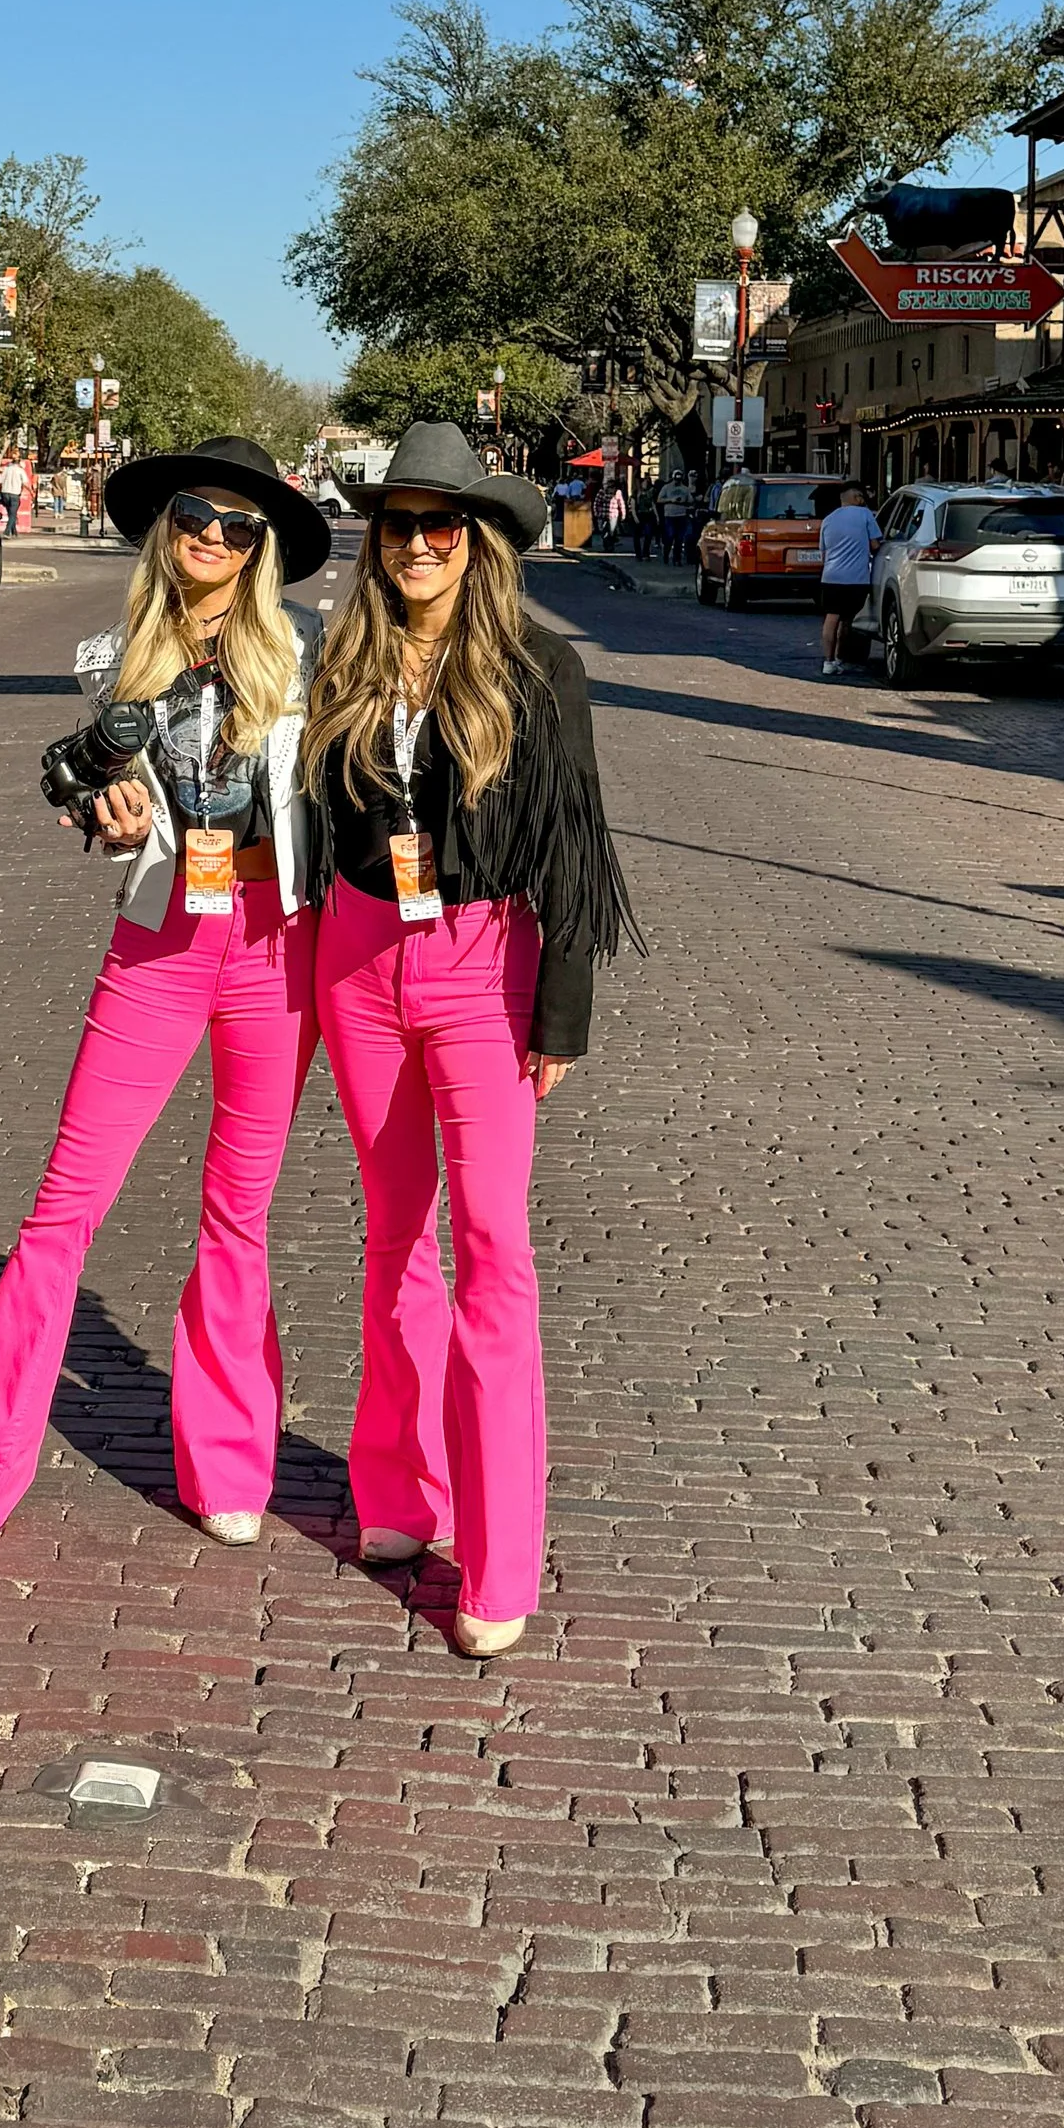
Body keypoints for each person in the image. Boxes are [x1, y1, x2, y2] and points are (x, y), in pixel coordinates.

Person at [0, 436, 332, 1551]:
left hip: (278, 946)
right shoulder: (112, 658)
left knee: (237, 1216)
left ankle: (226, 1464)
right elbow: (85, 782)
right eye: (195, 517)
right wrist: (93, 807)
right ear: (166, 529)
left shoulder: (310, 654)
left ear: (262, 548)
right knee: (63, 1208)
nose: (213, 536)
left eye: (238, 525)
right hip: (159, 942)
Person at [301, 421, 639, 1661]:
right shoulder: (344, 653)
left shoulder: (539, 670)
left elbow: (573, 853)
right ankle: (398, 1497)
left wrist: (561, 1014)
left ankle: (498, 1556)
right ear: (376, 539)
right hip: (357, 954)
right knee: (393, 1237)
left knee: (490, 1248)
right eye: (399, 524)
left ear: (481, 540)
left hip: (481, 967)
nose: (420, 545)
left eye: (444, 525)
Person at [816, 477, 881, 674]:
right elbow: (875, 545)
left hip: (831, 577)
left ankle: (827, 662)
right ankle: (839, 658)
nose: (863, 499)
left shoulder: (828, 519)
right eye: (861, 496)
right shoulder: (865, 515)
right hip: (857, 579)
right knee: (847, 621)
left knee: (831, 618)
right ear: (855, 497)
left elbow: (824, 554)